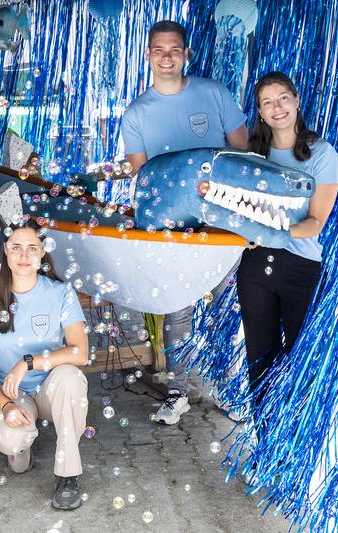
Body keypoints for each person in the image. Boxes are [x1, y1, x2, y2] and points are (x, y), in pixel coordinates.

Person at [120, 20, 248, 425]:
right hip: (171, 232)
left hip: (225, 223)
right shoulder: (136, 113)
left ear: (186, 53)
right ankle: (178, 393)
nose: (167, 56)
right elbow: (145, 181)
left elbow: (242, 154)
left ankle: (232, 389)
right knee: (177, 311)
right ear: (149, 55)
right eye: (159, 49)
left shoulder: (214, 93)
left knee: (230, 303)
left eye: (175, 49)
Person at [0, 218, 89, 510]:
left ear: (42, 253)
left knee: (71, 378)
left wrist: (28, 362)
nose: (24, 256)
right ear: (5, 252)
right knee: (13, 446)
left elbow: (80, 353)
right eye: (17, 247)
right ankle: (23, 449)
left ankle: (67, 474)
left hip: (50, 387)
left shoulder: (60, 292)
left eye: (32, 248)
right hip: (11, 392)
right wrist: (6, 405)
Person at [237, 71, 338, 410]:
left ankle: (296, 452)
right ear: (261, 112)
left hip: (300, 269)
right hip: (254, 269)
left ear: (296, 100)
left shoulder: (321, 154)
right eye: (267, 102)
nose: (277, 107)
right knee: (259, 361)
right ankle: (264, 445)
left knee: (303, 361)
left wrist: (268, 233)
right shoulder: (251, 155)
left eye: (283, 98)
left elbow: (314, 224)